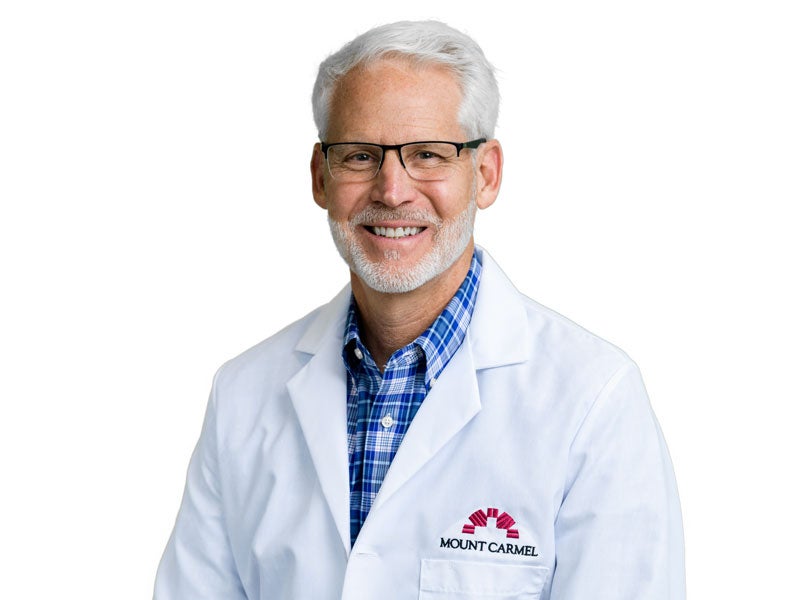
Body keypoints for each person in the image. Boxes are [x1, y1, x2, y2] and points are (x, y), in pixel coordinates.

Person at [154, 20, 685, 599]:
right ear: (320, 177)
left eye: (428, 154)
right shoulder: (241, 395)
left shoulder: (593, 400)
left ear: (486, 174)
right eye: (360, 156)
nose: (392, 190)